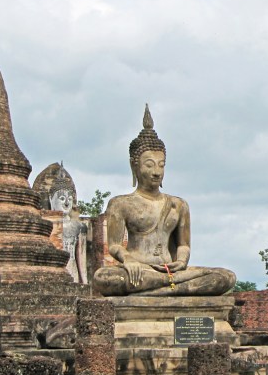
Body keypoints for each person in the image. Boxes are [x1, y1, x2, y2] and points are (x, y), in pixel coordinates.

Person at [92, 105, 235, 296]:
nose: (156, 172)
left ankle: (159, 289)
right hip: (139, 271)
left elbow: (183, 245)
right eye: (149, 165)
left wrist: (182, 261)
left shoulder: (178, 205)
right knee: (104, 278)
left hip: (171, 270)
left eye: (161, 165)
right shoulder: (121, 204)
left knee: (225, 277)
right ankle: (171, 288)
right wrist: (128, 260)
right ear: (135, 166)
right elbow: (115, 245)